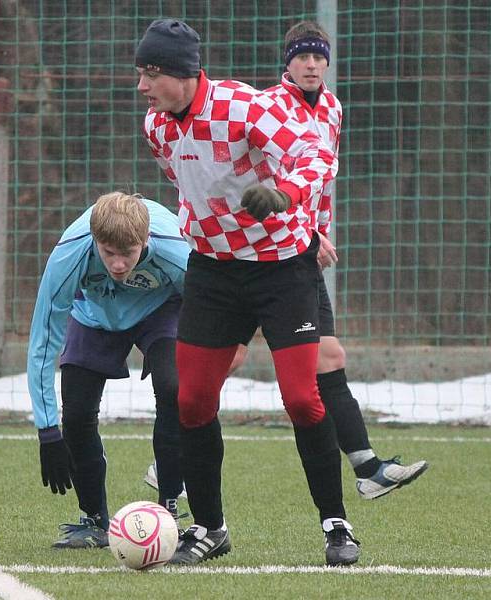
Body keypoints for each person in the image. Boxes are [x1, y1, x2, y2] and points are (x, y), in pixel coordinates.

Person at [143, 20, 428, 504]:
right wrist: (238, 225)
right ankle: (173, 462)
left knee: (321, 364)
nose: (313, 64)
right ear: (287, 63)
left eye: (320, 56)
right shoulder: (262, 105)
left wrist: (309, 225)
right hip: (226, 265)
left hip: (290, 253)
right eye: (303, 56)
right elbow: (189, 182)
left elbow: (319, 168)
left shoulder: (331, 110)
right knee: (209, 381)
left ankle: (363, 469)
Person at [136, 18, 360, 566]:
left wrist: (281, 194)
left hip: (282, 269)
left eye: (151, 72)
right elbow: (186, 184)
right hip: (213, 272)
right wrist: (216, 228)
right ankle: (210, 529)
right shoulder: (157, 126)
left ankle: (337, 526)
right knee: (190, 399)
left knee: (302, 397)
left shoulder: (243, 107)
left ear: (184, 73)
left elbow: (315, 158)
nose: (142, 85)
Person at [27, 191, 190, 549]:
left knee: (174, 389)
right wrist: (47, 431)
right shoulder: (70, 254)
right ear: (94, 240)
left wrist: (228, 348)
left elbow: (208, 307)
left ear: (145, 240)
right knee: (77, 414)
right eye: (108, 253)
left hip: (161, 310)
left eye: (127, 253)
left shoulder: (176, 250)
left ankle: (170, 508)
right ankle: (95, 521)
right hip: (94, 316)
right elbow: (42, 343)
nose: (117, 265)